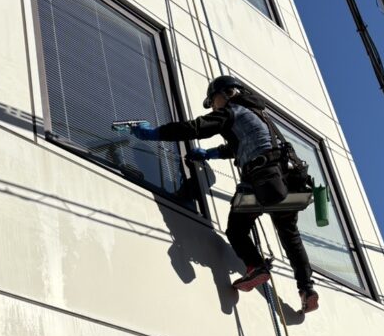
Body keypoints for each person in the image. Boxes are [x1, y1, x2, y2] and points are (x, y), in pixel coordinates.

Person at [125, 75, 319, 313]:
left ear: (228, 93)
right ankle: (306, 288)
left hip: (261, 184)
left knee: (236, 229)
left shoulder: (232, 111)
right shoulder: (259, 115)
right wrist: (209, 154)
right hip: (288, 189)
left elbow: (195, 128)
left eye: (213, 100)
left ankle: (256, 266)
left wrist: (154, 133)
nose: (213, 107)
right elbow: (238, 145)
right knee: (290, 238)